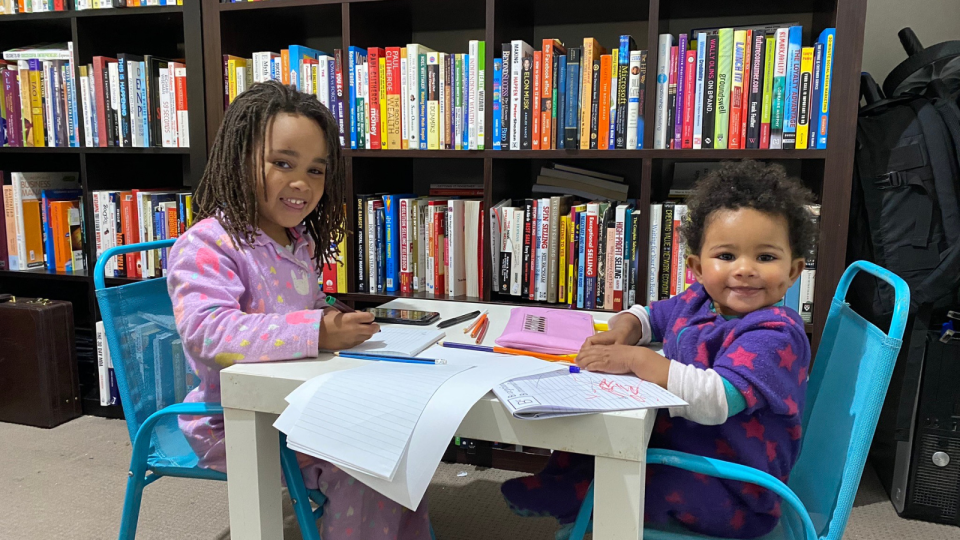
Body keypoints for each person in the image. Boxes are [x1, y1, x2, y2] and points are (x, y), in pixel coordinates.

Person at [167, 81, 433, 540]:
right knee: (366, 463)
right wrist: (318, 331)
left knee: (402, 439)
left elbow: (301, 307)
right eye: (282, 163)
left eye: (315, 170)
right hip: (235, 421)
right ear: (238, 159)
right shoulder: (207, 242)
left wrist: (334, 316)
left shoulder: (297, 241)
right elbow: (208, 335)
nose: (301, 184)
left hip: (301, 405)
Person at [501, 160, 817, 539]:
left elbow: (716, 399)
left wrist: (637, 359)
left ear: (793, 272)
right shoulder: (700, 300)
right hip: (689, 454)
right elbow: (650, 315)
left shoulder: (775, 334)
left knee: (620, 479)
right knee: (590, 440)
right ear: (697, 267)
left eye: (765, 257)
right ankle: (562, 484)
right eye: (727, 256)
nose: (745, 269)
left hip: (735, 489)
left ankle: (577, 497)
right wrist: (626, 329)